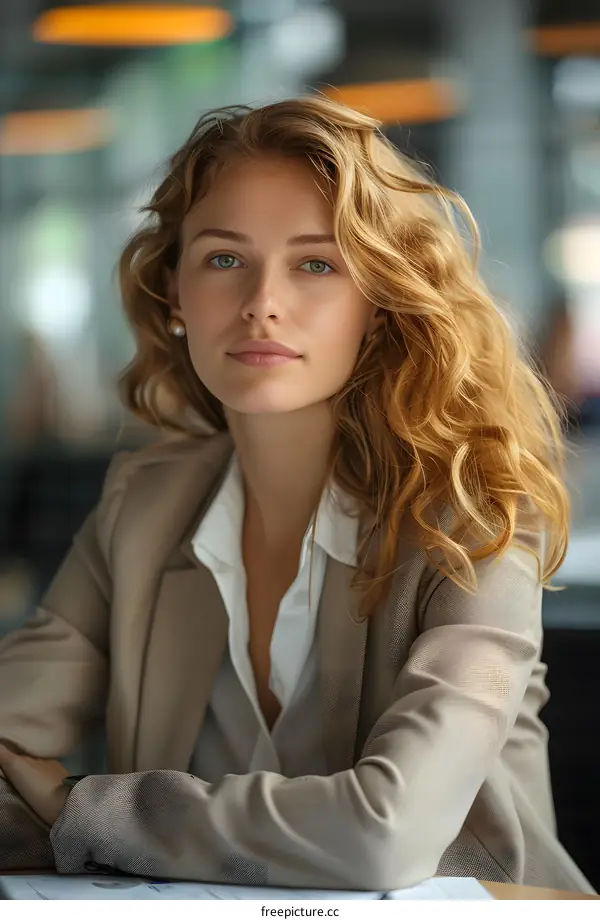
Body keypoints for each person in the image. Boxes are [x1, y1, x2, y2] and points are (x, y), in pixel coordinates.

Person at [0, 97, 593, 894]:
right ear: (174, 290)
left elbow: (386, 833)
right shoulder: (144, 504)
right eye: (222, 259)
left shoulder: (470, 517)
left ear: (379, 303)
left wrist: (85, 808)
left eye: (316, 263)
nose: (261, 302)